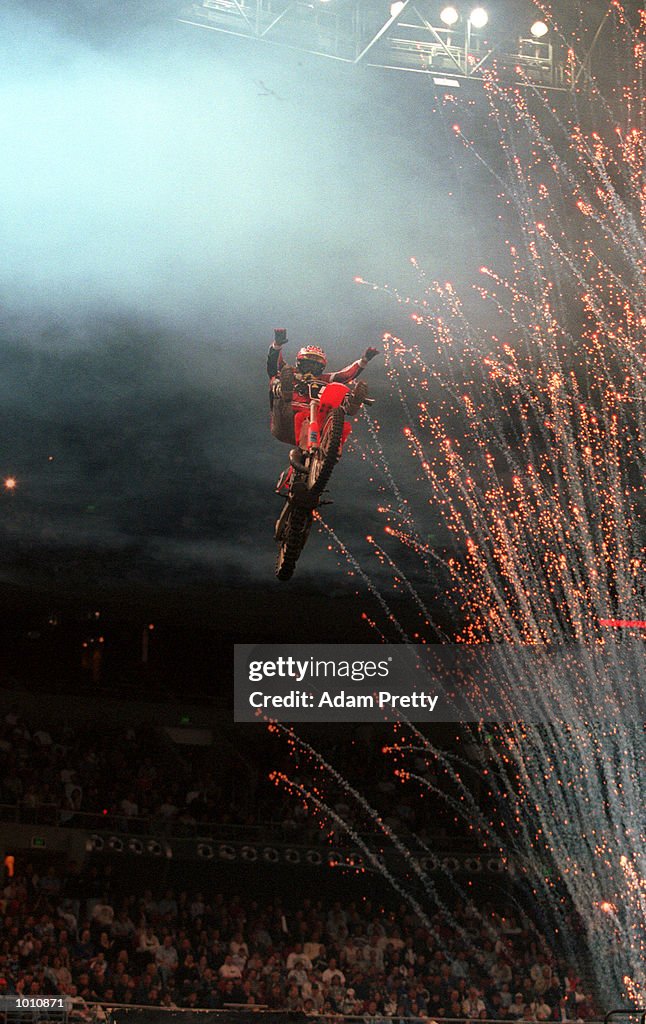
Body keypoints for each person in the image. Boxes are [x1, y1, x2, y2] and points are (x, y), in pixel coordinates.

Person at [267, 328, 378, 444]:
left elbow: (344, 375)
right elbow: (274, 365)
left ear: (321, 367)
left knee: (337, 390)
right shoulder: (291, 373)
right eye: (307, 363)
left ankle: (350, 404)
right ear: (299, 363)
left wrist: (364, 361)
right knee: (279, 377)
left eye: (315, 365)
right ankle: (286, 393)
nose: (310, 368)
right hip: (287, 418)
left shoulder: (324, 379)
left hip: (314, 418)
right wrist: (277, 345)